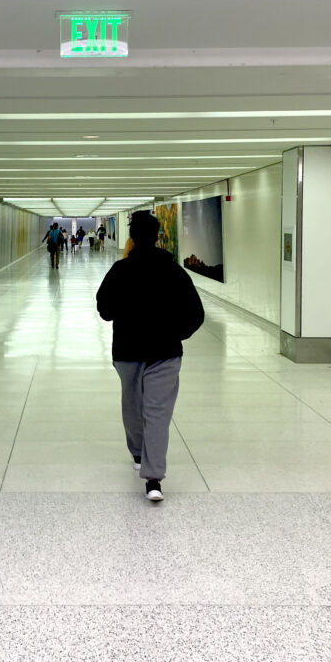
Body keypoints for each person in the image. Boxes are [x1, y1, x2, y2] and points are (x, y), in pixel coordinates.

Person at [96, 211, 204, 502]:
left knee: (133, 408)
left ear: (131, 238)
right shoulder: (175, 273)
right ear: (158, 237)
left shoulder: (120, 271)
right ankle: (153, 479)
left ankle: (138, 454)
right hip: (165, 354)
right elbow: (196, 315)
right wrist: (174, 334)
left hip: (127, 353)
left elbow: (104, 311)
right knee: (157, 414)